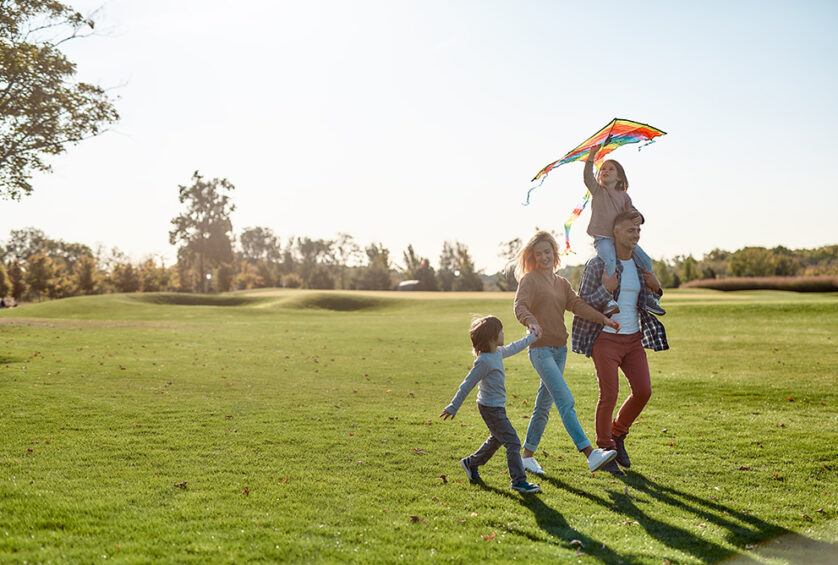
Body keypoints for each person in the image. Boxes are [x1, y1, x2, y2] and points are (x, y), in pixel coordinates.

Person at [513, 231, 620, 477]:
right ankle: (590, 454)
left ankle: (526, 457)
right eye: (539, 254)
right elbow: (520, 306)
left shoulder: (561, 283)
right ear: (533, 257)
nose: (544, 257)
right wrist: (530, 321)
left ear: (555, 253)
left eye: (547, 252)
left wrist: (603, 319)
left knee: (543, 405)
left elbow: (578, 305)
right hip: (540, 350)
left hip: (560, 351)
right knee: (565, 401)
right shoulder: (529, 280)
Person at [572, 211, 669, 476]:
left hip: (633, 339)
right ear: (615, 232)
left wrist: (657, 288)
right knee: (609, 394)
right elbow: (582, 302)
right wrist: (605, 289)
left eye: (638, 230)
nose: (635, 235)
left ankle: (617, 433)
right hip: (605, 339)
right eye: (630, 230)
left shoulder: (640, 265)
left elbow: (650, 300)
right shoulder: (597, 265)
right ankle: (605, 449)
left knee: (643, 391)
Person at [440, 315, 542, 494]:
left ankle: (471, 463)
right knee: (513, 442)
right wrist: (453, 406)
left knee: (497, 439)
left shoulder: (498, 352)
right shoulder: (484, 361)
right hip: (490, 409)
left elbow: (515, 347)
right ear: (491, 337)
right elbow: (467, 384)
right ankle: (519, 481)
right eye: (500, 331)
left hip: (497, 407)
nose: (503, 334)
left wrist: (531, 338)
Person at [584, 142, 665, 316]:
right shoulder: (598, 191)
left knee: (645, 260)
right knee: (610, 261)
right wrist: (591, 156)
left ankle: (650, 297)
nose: (605, 171)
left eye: (610, 169)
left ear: (619, 177)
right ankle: (608, 299)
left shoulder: (624, 196)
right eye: (603, 169)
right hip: (603, 238)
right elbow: (587, 177)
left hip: (621, 240)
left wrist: (639, 217)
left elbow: (632, 212)